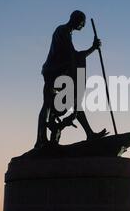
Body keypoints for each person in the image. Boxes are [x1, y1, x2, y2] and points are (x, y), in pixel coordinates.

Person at [34, 10, 109, 149]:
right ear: (77, 20)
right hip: (53, 72)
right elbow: (72, 57)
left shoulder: (67, 33)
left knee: (75, 102)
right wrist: (93, 48)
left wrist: (92, 49)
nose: (83, 26)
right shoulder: (62, 31)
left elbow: (73, 56)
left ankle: (89, 133)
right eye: (83, 23)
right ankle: (41, 140)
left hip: (61, 73)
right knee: (48, 105)